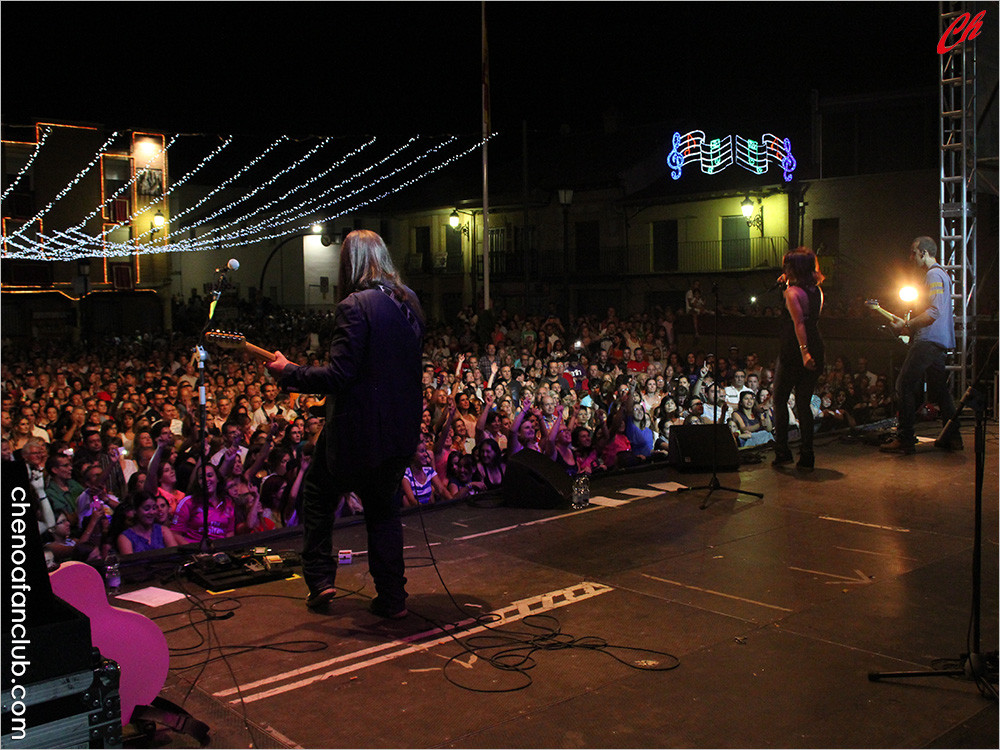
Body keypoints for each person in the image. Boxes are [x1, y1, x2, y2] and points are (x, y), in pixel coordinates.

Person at [265, 230, 424, 618]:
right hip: (399, 430)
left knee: (317, 495)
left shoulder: (355, 305)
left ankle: (320, 580)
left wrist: (290, 372)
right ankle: (392, 599)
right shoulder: (411, 302)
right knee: (383, 512)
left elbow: (340, 375)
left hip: (358, 434)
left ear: (348, 264)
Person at [880, 236, 961, 454]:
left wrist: (907, 324)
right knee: (940, 390)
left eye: (913, 252)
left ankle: (905, 438)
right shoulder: (942, 274)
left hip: (928, 340)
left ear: (924, 253)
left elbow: (934, 311)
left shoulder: (933, 275)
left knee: (904, 385)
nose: (911, 257)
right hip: (939, 340)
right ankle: (953, 437)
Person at [772, 247, 825, 470]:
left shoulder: (792, 293)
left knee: (780, 398)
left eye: (788, 265)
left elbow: (799, 323)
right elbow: (811, 320)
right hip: (817, 344)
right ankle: (807, 455)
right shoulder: (816, 291)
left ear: (794, 267)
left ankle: (783, 451)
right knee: (803, 402)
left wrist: (804, 352)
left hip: (794, 350)